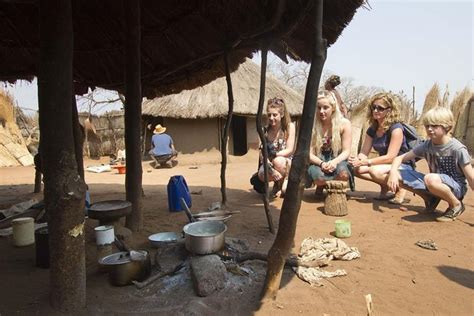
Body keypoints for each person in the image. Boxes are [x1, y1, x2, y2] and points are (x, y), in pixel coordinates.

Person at [387, 107, 473, 222]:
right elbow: (399, 158)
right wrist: (393, 173)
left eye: (434, 126)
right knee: (395, 173)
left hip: (456, 187)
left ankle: (456, 205)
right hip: (435, 182)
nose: (430, 129)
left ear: (447, 126)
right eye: (427, 126)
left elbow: (471, 178)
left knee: (430, 178)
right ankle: (431, 197)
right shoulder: (427, 145)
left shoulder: (457, 149)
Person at [348, 92, 411, 204]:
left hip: (401, 165)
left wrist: (366, 162)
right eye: (374, 107)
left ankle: (401, 188)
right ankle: (385, 186)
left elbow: (391, 157)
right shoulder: (373, 129)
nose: (376, 111)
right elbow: (364, 152)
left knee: (374, 170)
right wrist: (358, 160)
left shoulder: (396, 129)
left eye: (380, 108)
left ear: (389, 110)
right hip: (384, 164)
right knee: (356, 169)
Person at [307, 90, 352, 198]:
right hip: (318, 160)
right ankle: (322, 185)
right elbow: (308, 153)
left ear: (333, 108)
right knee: (319, 178)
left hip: (337, 158)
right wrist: (322, 164)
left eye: (325, 107)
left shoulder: (344, 124)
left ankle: (334, 187)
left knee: (343, 174)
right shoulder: (311, 125)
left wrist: (334, 162)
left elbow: (346, 151)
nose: (321, 111)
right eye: (318, 108)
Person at [258, 97, 296, 198]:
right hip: (269, 163)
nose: (271, 118)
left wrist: (274, 154)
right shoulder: (264, 130)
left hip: (285, 162)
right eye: (269, 114)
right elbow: (261, 153)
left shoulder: (289, 127)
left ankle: (285, 181)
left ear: (282, 115)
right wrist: (269, 166)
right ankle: (277, 183)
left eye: (274, 115)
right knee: (262, 174)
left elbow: (290, 150)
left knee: (278, 161)